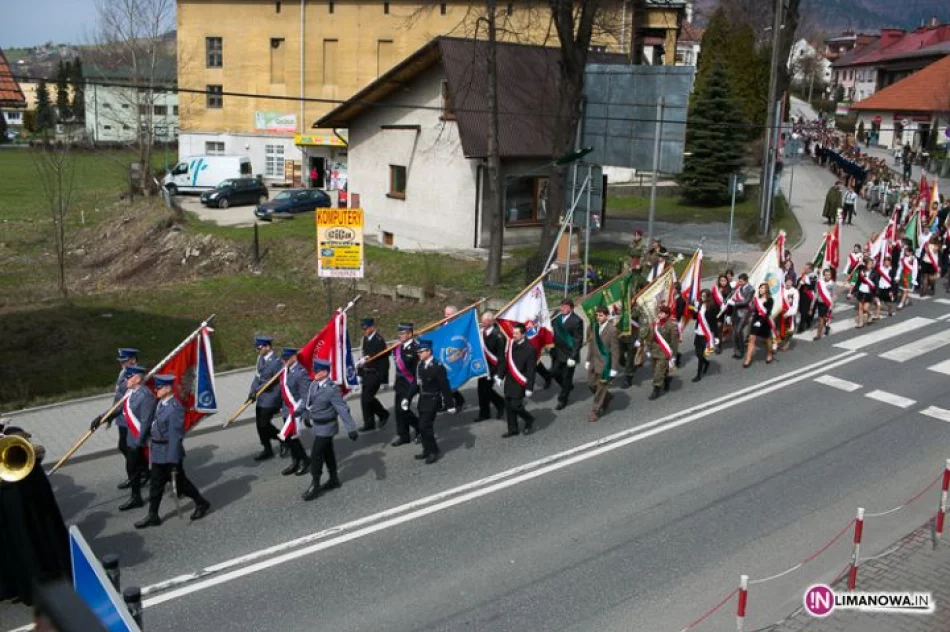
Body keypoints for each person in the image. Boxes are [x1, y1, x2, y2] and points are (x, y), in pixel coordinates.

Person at [0, 423, 70, 606]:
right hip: (9, 497)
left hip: (23, 493)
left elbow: (37, 452)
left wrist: (20, 441)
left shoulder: (11, 436)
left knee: (33, 538)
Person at [134, 375, 211, 529]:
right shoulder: (160, 403)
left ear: (168, 388)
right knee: (156, 485)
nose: (156, 390)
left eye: (159, 388)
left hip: (169, 454)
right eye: (156, 387)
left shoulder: (175, 409)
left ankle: (202, 503)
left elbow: (176, 437)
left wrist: (174, 462)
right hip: (158, 452)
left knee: (182, 485)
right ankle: (153, 515)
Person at [296, 358, 359, 502]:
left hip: (327, 427)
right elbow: (308, 403)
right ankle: (334, 479)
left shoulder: (332, 389)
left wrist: (351, 428)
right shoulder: (314, 385)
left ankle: (315, 484)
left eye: (317, 371)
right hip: (317, 425)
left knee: (316, 454)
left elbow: (342, 409)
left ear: (325, 372)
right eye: (314, 370)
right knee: (328, 452)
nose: (314, 373)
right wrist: (300, 413)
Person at [90, 347, 146, 490]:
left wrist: (104, 416)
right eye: (120, 362)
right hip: (121, 417)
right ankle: (141, 472)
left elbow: (123, 402)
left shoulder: (134, 376)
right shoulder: (124, 372)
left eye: (125, 361)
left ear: (133, 360)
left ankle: (139, 474)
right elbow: (118, 399)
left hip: (130, 419)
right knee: (124, 447)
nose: (122, 364)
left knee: (129, 450)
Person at [404, 339, 455, 464]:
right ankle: (427, 450)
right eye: (418, 352)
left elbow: (445, 386)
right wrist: (407, 398)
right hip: (422, 399)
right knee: (423, 427)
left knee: (424, 426)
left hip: (433, 400)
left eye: (421, 352)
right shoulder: (420, 365)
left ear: (428, 351)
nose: (419, 354)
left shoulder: (438, 367)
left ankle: (433, 452)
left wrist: (450, 404)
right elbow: (416, 384)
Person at [116, 365, 156, 512]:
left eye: (129, 377)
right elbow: (120, 408)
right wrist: (102, 418)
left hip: (139, 440)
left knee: (151, 469)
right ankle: (136, 496)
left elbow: (145, 422)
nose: (125, 379)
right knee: (133, 468)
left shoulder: (146, 396)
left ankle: (181, 485)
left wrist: (138, 443)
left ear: (138, 379)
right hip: (131, 439)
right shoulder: (131, 392)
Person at [495, 323, 537, 437]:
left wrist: (529, 387)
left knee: (516, 405)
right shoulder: (511, 343)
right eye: (513, 333)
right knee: (508, 405)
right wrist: (500, 375)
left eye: (516, 333)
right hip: (510, 379)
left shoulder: (530, 349)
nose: (514, 335)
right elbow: (506, 362)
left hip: (520, 381)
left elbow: (531, 370)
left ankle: (529, 419)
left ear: (523, 334)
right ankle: (513, 429)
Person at [246, 336, 283, 461]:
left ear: (267, 347)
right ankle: (267, 449)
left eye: (259, 348)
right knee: (259, 425)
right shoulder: (260, 358)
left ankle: (283, 439)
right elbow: (257, 377)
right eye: (256, 348)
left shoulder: (277, 362)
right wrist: (251, 392)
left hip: (272, 397)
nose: (257, 350)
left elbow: (272, 382)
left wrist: (256, 391)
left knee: (264, 424)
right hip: (261, 396)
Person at [277, 347, 310, 477]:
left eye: (286, 359)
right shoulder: (284, 371)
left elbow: (305, 395)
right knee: (290, 439)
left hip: (296, 410)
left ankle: (305, 460)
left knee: (292, 438)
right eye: (283, 359)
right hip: (286, 409)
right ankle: (296, 461)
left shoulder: (301, 372)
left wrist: (302, 413)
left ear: (294, 357)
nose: (284, 361)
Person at [585, 306, 620, 422]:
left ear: (607, 316)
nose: (598, 318)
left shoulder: (612, 330)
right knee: (590, 384)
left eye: (601, 315)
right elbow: (591, 344)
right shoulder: (594, 327)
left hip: (605, 365)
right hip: (594, 362)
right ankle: (607, 396)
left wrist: (614, 368)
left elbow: (615, 350)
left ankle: (595, 411)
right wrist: (588, 359)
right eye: (597, 315)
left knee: (600, 388)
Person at [549, 298, 584, 410]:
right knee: (553, 373)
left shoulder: (577, 321)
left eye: (565, 306)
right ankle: (567, 387)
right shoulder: (557, 319)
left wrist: (573, 357)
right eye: (561, 306)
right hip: (557, 353)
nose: (562, 308)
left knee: (567, 377)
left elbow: (578, 340)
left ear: (571, 307)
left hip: (569, 355)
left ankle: (562, 399)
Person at [356, 318, 390, 432]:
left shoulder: (379, 340)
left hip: (376, 373)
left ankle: (383, 414)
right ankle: (369, 423)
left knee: (367, 398)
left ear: (372, 327)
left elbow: (385, 361)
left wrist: (385, 380)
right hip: (367, 372)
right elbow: (364, 356)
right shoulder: (365, 339)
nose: (364, 331)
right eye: (363, 329)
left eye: (366, 328)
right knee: (364, 399)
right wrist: (360, 373)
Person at [391, 323, 420, 447]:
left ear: (410, 334)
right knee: (398, 411)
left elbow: (416, 371)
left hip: (410, 382)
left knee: (404, 409)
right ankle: (404, 435)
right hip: (400, 383)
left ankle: (420, 428)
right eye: (400, 333)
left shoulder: (416, 348)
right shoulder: (398, 347)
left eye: (403, 333)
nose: (401, 336)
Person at [641, 304, 678, 401]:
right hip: (654, 351)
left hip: (664, 353)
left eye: (661, 313)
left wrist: (673, 355)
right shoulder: (655, 324)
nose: (659, 314)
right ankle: (666, 380)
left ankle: (656, 390)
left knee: (658, 372)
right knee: (655, 371)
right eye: (659, 312)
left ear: (667, 314)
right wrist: (648, 348)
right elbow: (649, 337)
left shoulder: (672, 326)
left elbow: (674, 342)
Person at [477, 312, 506, 422]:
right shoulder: (481, 333)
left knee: (487, 390)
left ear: (491, 322)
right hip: (483, 367)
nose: (483, 322)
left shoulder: (498, 336)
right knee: (481, 391)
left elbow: (501, 357)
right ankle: (484, 413)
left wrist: (500, 374)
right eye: (482, 320)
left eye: (485, 321)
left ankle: (500, 404)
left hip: (494, 367)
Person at [743, 283, 775, 367]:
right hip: (756, 320)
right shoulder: (757, 299)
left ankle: (769, 353)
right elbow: (754, 310)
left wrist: (760, 322)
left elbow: (767, 312)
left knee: (767, 339)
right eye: (760, 288)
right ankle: (748, 358)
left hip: (765, 321)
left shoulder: (770, 300)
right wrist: (751, 305)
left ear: (767, 290)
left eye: (763, 288)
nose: (761, 289)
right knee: (751, 338)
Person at [442, 306, 466, 410]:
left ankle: (458, 400)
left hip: (456, 356)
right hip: (445, 355)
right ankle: (449, 402)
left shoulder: (460, 326)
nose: (446, 316)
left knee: (452, 380)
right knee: (443, 381)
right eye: (445, 313)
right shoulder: (444, 324)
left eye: (448, 314)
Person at [692, 289, 718, 381]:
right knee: (697, 354)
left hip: (706, 333)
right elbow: (695, 318)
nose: (701, 298)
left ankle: (698, 375)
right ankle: (706, 363)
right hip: (698, 332)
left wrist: (717, 336)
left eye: (703, 296)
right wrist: (695, 310)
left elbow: (714, 323)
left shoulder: (711, 307)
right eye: (701, 296)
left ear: (708, 297)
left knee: (700, 354)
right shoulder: (700, 305)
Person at [728, 273, 755, 359]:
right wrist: (727, 301)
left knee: (739, 331)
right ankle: (736, 351)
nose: (739, 282)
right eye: (739, 280)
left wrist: (734, 303)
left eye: (741, 281)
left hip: (745, 312)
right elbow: (731, 296)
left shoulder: (751, 289)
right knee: (734, 332)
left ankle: (742, 350)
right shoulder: (738, 288)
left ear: (746, 280)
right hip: (736, 312)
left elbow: (746, 302)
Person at [813, 268, 836, 340]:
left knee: (824, 318)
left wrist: (832, 305)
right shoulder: (820, 283)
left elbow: (832, 295)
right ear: (823, 275)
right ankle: (822, 331)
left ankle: (822, 331)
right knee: (822, 319)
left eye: (829, 275)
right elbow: (817, 293)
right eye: (826, 275)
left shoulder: (832, 283)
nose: (827, 276)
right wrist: (812, 303)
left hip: (827, 303)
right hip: (820, 303)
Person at [778, 276, 799, 351]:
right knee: (780, 328)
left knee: (790, 329)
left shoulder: (795, 292)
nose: (788, 284)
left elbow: (795, 305)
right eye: (787, 282)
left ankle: (787, 343)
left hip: (790, 313)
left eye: (790, 282)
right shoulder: (781, 290)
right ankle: (782, 340)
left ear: (792, 283)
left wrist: (788, 313)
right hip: (781, 313)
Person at [852, 258, 875, 328]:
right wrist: (854, 290)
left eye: (871, 264)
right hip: (861, 291)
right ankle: (861, 323)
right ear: (866, 265)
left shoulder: (874, 273)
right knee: (860, 308)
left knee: (865, 308)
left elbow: (876, 284)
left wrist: (876, 293)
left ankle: (870, 314)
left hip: (869, 292)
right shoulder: (861, 271)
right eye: (869, 264)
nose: (870, 265)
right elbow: (858, 281)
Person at [797, 264, 817, 333]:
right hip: (802, 295)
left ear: (810, 269)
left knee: (804, 312)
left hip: (808, 296)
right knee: (800, 310)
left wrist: (805, 281)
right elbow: (798, 283)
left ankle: (801, 328)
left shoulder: (813, 276)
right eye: (804, 268)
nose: (804, 269)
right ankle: (807, 320)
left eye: (806, 268)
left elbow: (812, 286)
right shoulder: (803, 275)